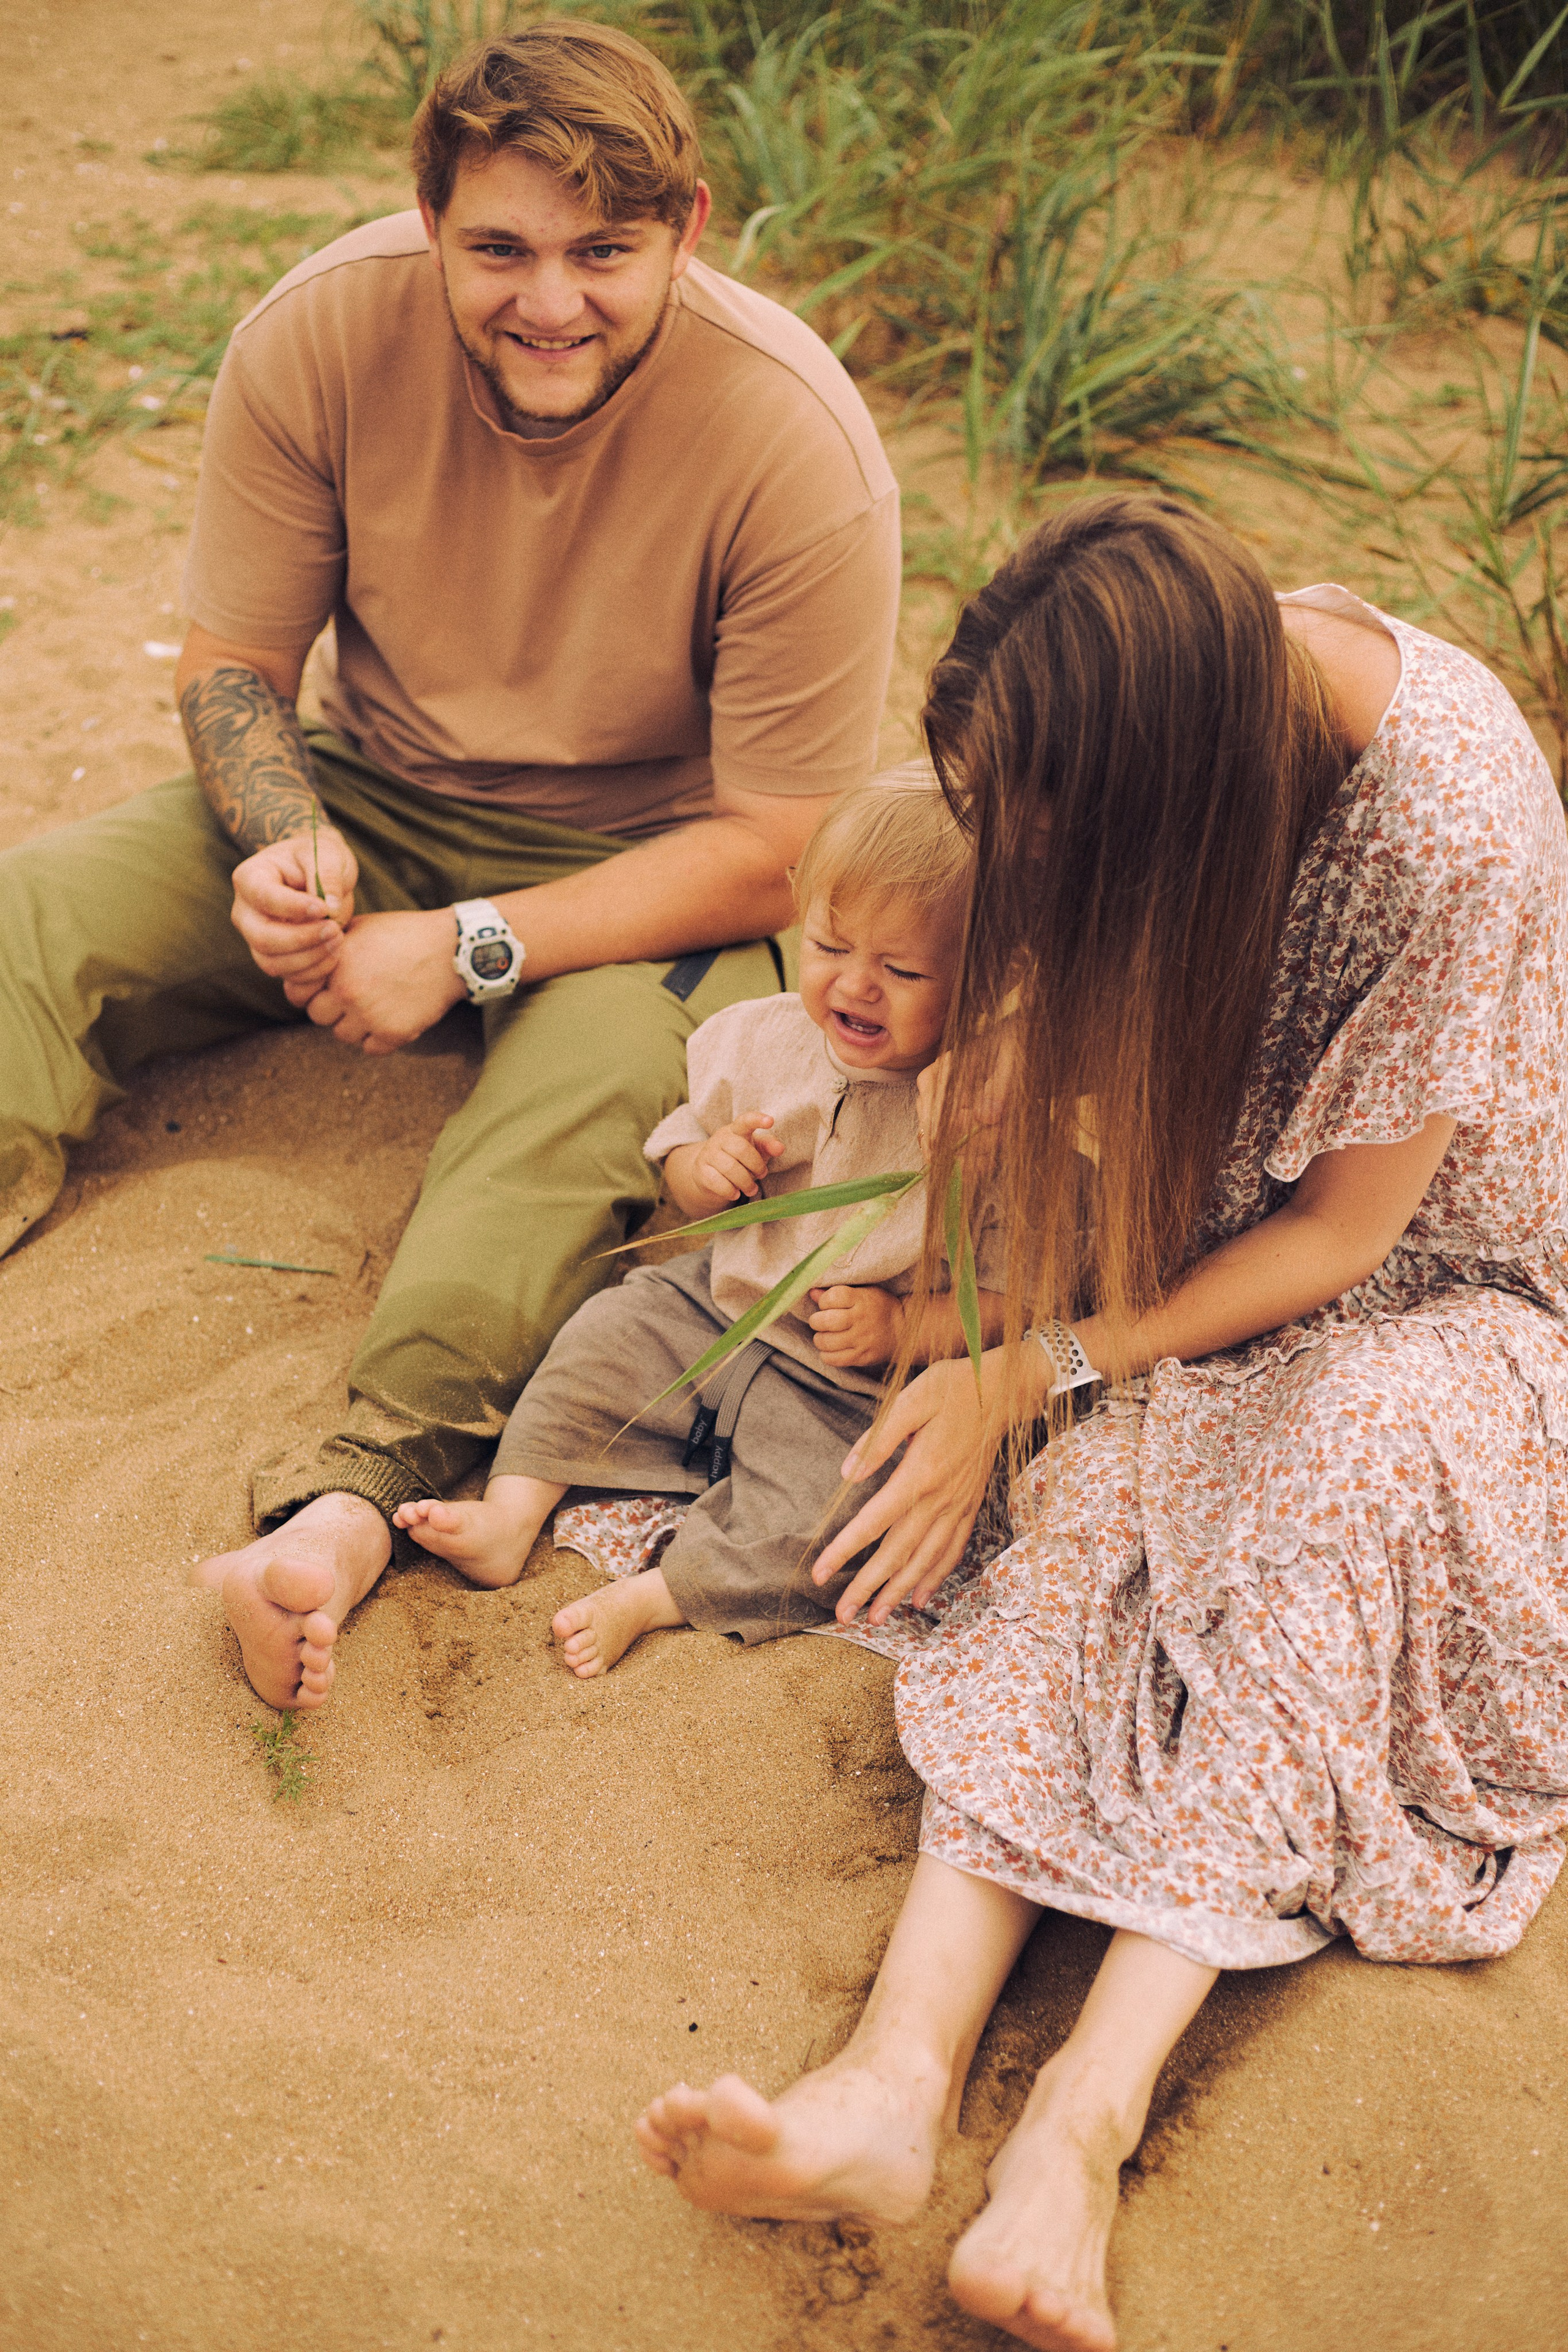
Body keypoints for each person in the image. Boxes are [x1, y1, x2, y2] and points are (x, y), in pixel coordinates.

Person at [633, 494, 1568, 2351]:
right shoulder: (1176, 689)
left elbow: (1348, 1237)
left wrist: (1040, 1361)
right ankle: (894, 2087)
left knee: (1331, 1496)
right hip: (1213, 1267)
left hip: (1447, 1304)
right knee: (1092, 1531)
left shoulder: (1455, 825)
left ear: (1166, 801)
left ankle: (1081, 2123)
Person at [0, 21, 900, 1713]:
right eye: (498, 248)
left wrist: (470, 945)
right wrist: (289, 843)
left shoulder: (797, 443)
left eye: (603, 254)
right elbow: (232, 661)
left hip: (659, 868)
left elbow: (784, 853)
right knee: (27, 915)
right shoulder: (318, 334)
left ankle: (343, 1502)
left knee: (571, 1131)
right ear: (429, 220)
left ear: (686, 230)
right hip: (374, 786)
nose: (547, 301)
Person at [391, 774, 1011, 1675]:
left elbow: (1016, 1296)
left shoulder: (984, 1118)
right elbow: (679, 1159)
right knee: (600, 1337)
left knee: (844, 1521)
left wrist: (904, 1327)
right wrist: (707, 1173)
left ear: (982, 980)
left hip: (849, 1387)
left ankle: (661, 1596)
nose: (855, 985)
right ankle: (511, 1513)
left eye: (903, 970)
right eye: (830, 945)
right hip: (715, 1303)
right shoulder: (758, 1039)